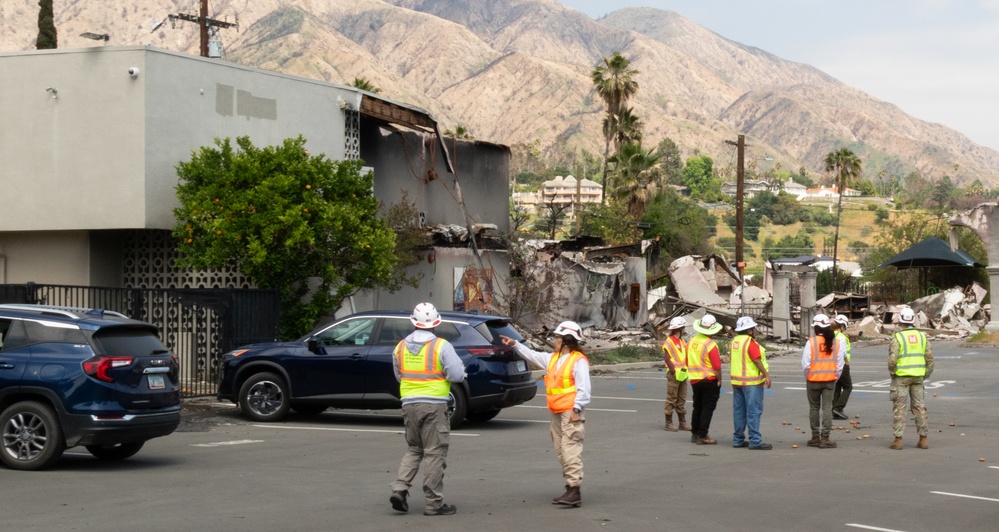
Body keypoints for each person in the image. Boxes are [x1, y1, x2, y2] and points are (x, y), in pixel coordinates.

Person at [500, 321, 591, 507]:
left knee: (570, 449)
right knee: (561, 450)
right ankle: (571, 487)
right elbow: (532, 355)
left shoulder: (578, 360)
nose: (554, 340)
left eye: (557, 337)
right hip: (558, 411)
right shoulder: (554, 358)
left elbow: (584, 389)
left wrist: (576, 410)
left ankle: (574, 490)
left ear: (566, 341)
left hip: (570, 411)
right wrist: (515, 344)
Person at [390, 303, 467, 516]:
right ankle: (434, 503)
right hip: (434, 405)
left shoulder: (400, 347)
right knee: (434, 452)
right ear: (435, 323)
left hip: (409, 404)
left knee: (414, 449)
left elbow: (399, 376)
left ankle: (400, 488)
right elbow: (456, 375)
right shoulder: (442, 346)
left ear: (413, 322)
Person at [888, 307, 934, 450]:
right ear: (913, 321)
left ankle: (898, 440)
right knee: (919, 407)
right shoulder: (922, 337)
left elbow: (892, 361)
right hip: (918, 377)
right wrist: (925, 374)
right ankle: (923, 439)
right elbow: (930, 360)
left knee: (899, 408)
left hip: (901, 378)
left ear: (900, 320)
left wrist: (893, 373)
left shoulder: (898, 337)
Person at [801, 313, 845, 449]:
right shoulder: (836, 342)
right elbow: (840, 364)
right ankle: (825, 438)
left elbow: (805, 364)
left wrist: (808, 377)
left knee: (814, 408)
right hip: (829, 381)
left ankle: (815, 437)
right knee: (827, 408)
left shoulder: (811, 342)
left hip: (813, 381)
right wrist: (835, 378)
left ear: (815, 328)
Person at [730, 316, 772, 450]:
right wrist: (766, 375)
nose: (754, 330)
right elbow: (757, 360)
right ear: (749, 331)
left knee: (739, 412)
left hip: (737, 382)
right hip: (752, 382)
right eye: (753, 328)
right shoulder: (750, 342)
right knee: (754, 412)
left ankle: (738, 439)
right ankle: (755, 440)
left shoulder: (735, 341)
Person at [687, 313, 723, 445]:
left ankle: (695, 433)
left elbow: (687, 359)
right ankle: (703, 435)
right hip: (709, 379)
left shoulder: (691, 341)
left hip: (695, 379)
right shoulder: (710, 344)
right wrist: (719, 379)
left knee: (697, 407)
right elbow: (717, 365)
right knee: (708, 408)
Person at [661, 316, 691, 432]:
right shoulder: (669, 341)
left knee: (681, 398)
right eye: (683, 327)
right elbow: (667, 358)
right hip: (674, 374)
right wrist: (673, 370)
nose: (684, 329)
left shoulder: (682, 341)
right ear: (679, 328)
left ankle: (682, 423)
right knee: (671, 398)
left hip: (682, 373)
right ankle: (668, 423)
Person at [832, 314, 853, 420]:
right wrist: (846, 362)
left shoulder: (829, 335)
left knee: (837, 388)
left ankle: (834, 410)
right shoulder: (842, 337)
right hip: (842, 365)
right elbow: (843, 353)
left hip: (831, 365)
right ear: (843, 326)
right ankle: (838, 408)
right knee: (848, 387)